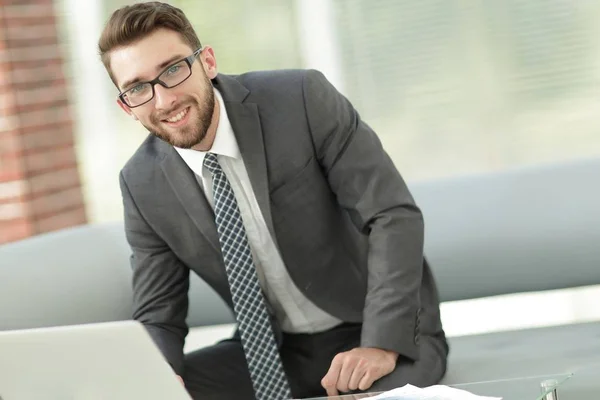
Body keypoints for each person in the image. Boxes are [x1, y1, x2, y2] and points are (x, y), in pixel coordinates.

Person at [98, 2, 448, 399]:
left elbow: (391, 215)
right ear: (126, 105)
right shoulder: (140, 182)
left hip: (373, 327)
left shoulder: (301, 99)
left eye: (173, 69)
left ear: (207, 61)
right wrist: (160, 377)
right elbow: (159, 314)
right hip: (274, 350)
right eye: (139, 88)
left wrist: (381, 344)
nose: (164, 101)